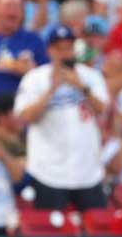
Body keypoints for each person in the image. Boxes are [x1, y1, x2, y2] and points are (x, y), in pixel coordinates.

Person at [13, 25, 109, 211]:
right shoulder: (35, 78)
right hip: (49, 172)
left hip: (87, 171)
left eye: (68, 47)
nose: (64, 53)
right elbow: (25, 116)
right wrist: (51, 90)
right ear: (50, 50)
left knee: (96, 233)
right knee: (52, 235)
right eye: (59, 48)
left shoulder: (90, 76)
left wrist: (81, 87)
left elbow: (102, 109)